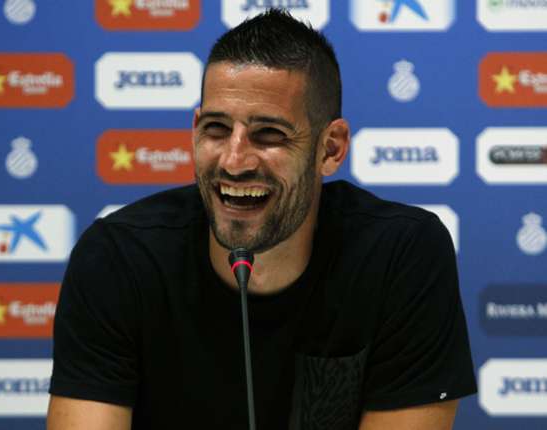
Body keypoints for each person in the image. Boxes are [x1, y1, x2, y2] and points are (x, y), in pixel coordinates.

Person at [47, 9, 476, 430]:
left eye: (269, 134)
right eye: (216, 129)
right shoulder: (117, 258)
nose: (234, 162)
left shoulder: (402, 255)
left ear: (330, 149)